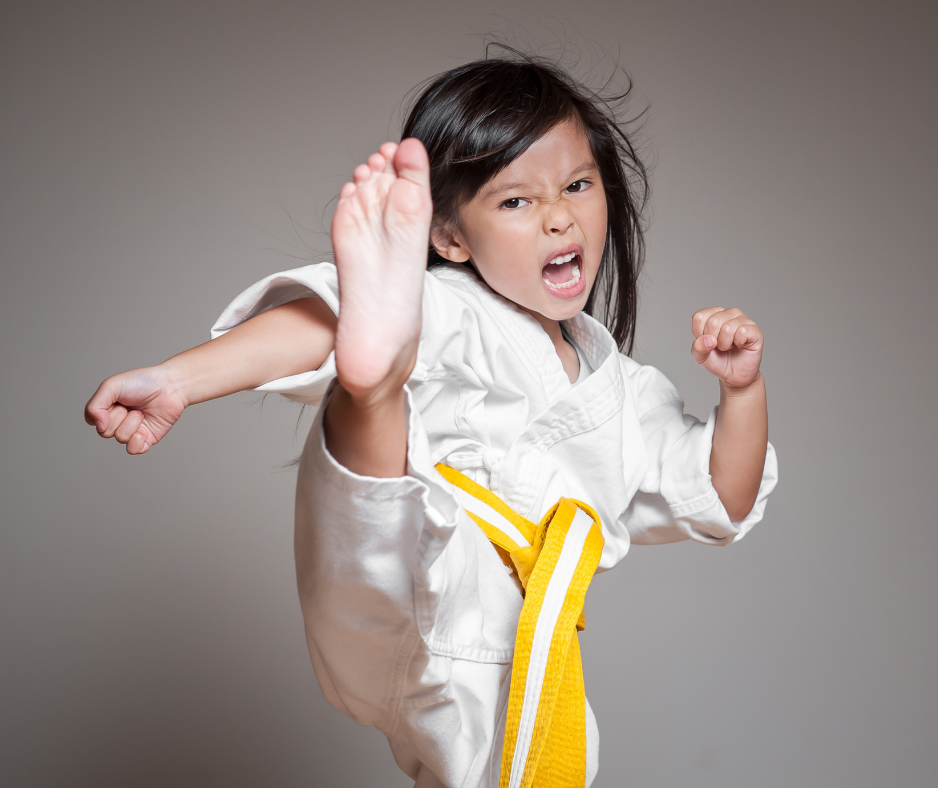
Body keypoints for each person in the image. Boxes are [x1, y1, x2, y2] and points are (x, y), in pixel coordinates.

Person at [84, 53, 777, 788]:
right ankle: (374, 378)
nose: (559, 215)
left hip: (510, 648)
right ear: (449, 238)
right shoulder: (458, 306)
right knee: (376, 395)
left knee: (509, 767)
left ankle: (375, 376)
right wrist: (178, 379)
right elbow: (314, 326)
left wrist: (743, 391)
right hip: (418, 575)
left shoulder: (626, 391)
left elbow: (721, 496)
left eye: (577, 185)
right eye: (516, 202)